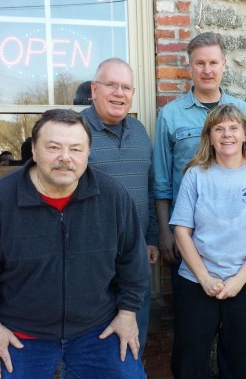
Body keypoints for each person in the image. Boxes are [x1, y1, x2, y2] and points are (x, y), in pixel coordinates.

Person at [0, 109, 149, 379]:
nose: (65, 157)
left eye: (75, 149)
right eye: (53, 147)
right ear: (34, 149)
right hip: (21, 334)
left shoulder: (113, 198)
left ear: (87, 153)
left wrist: (128, 314)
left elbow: (134, 264)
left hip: (97, 329)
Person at [152, 31, 246, 379]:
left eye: (214, 62)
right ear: (189, 66)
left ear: (224, 66)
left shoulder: (243, 111)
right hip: (189, 242)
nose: (207, 70)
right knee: (191, 344)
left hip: (240, 250)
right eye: (200, 63)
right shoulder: (170, 115)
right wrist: (164, 232)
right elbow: (162, 181)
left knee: (238, 349)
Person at [170, 104, 246, 379]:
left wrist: (237, 281)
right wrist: (206, 278)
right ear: (209, 136)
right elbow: (181, 232)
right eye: (219, 129)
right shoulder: (195, 175)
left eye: (234, 127)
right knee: (190, 363)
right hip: (196, 282)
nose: (227, 134)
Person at [80, 58, 158, 354]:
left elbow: (150, 187)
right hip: (90, 261)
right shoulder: (76, 131)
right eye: (111, 85)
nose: (119, 93)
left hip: (135, 258)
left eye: (126, 87)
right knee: (91, 349)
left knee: (134, 342)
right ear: (94, 89)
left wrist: (151, 237)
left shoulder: (139, 131)